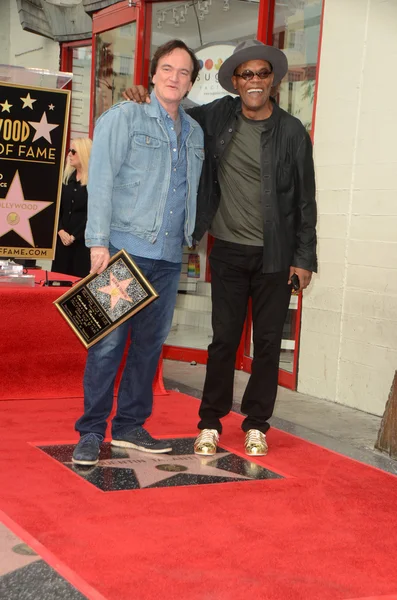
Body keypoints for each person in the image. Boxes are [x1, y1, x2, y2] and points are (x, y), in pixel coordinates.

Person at [124, 39, 317, 458]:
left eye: (261, 73)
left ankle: (257, 424)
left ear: (273, 80)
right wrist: (141, 93)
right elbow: (171, 107)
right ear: (234, 81)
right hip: (228, 251)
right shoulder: (215, 117)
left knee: (266, 344)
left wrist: (304, 258)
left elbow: (306, 201)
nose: (254, 81)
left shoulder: (291, 132)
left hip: (276, 256)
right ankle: (210, 421)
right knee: (223, 341)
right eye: (245, 74)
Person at [72, 40, 204, 466]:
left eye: (184, 72)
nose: (174, 77)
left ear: (190, 83)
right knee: (107, 347)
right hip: (123, 252)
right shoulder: (124, 116)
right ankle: (91, 431)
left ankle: (129, 426)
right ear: (152, 74)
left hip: (168, 257)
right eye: (167, 68)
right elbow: (103, 181)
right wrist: (97, 243)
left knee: (149, 346)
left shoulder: (195, 132)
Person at [51, 138, 92, 278]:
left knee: (79, 285)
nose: (69, 154)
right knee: (58, 283)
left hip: (83, 244)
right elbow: (57, 209)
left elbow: (93, 214)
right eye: (69, 150)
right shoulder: (65, 180)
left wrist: (75, 236)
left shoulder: (94, 182)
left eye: (73, 151)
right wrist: (60, 230)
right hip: (62, 242)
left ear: (84, 153)